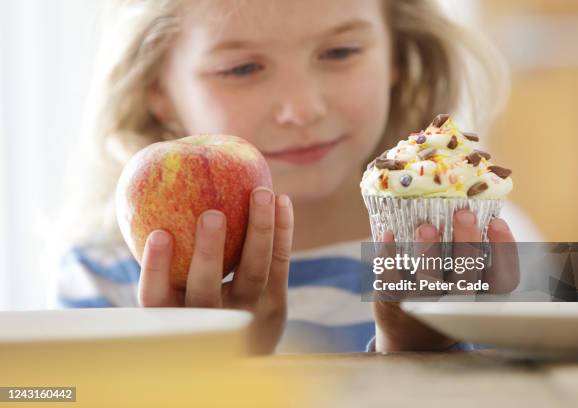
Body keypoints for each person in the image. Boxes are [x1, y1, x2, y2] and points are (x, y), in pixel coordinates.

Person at [54, 0, 527, 354]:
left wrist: (418, 350)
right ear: (157, 90)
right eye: (241, 68)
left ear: (399, 60)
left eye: (339, 51)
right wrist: (212, 372)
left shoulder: (477, 246)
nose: (302, 109)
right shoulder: (105, 277)